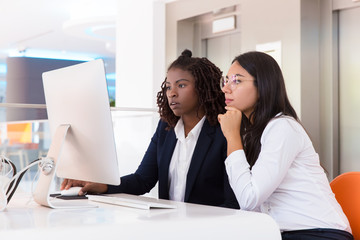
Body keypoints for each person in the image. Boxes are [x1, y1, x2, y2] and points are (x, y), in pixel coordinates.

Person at [61, 49, 239, 209]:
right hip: (169, 226)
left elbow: (232, 203)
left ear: (203, 88)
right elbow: (143, 180)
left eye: (181, 85)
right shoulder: (166, 128)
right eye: (168, 87)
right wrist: (103, 185)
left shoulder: (223, 130)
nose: (172, 93)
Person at [217, 51, 353, 239]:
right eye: (226, 80)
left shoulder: (282, 127)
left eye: (237, 81)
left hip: (319, 233)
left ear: (263, 86)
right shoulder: (254, 132)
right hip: (280, 233)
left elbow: (249, 198)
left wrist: (232, 137)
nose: (226, 88)